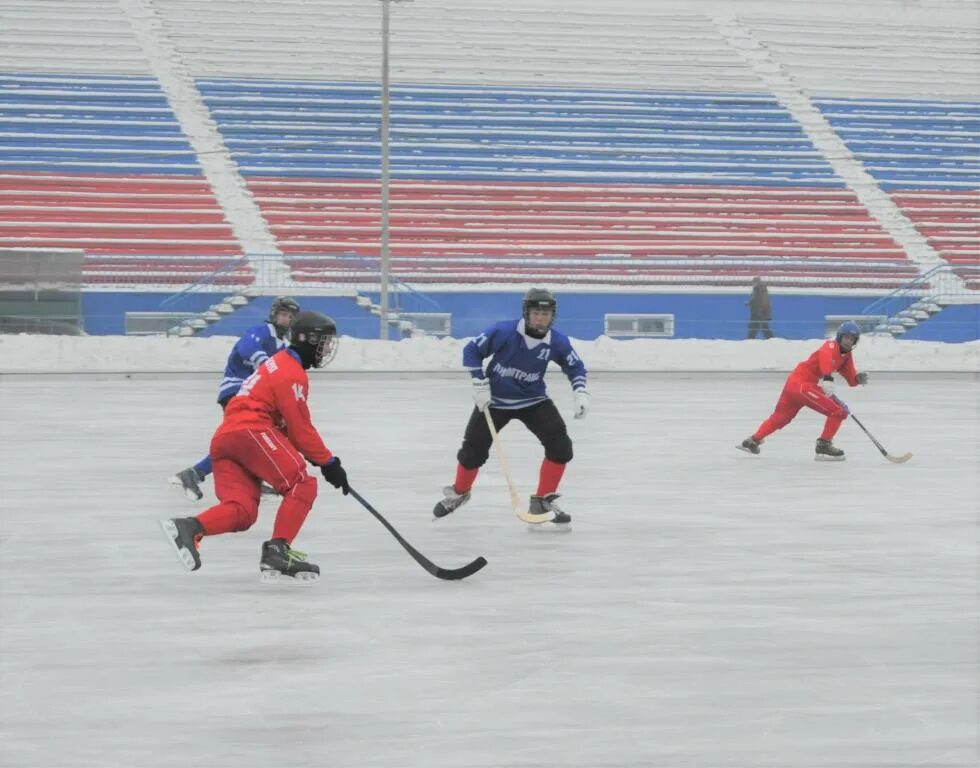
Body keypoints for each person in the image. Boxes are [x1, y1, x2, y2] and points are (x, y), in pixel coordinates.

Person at [160, 311, 349, 582]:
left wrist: (310, 454)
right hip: (251, 431)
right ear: (309, 340)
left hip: (227, 438)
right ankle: (277, 550)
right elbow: (300, 428)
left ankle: (189, 527)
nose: (328, 348)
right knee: (302, 484)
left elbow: (288, 427)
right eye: (325, 342)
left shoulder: (279, 363)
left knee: (243, 511)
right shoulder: (290, 373)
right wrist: (330, 464)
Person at [433, 288, 590, 526]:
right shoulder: (504, 331)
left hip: (533, 400)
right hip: (494, 401)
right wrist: (479, 381)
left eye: (546, 314)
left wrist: (580, 391)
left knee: (561, 446)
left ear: (553, 316)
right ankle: (459, 492)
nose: (541, 318)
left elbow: (575, 367)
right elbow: (472, 351)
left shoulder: (557, 341)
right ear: (526, 313)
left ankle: (542, 501)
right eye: (536, 313)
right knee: (471, 452)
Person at [169, 296, 300, 501]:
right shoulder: (262, 331)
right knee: (244, 440)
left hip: (252, 396)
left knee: (242, 443)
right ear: (274, 315)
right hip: (237, 391)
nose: (286, 320)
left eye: (290, 317)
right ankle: (195, 474)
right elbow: (246, 348)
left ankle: (197, 475)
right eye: (283, 315)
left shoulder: (283, 345)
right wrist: (269, 368)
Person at [738, 320, 869, 460]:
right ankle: (824, 446)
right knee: (839, 411)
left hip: (795, 385)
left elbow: (851, 379)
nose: (848, 341)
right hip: (802, 385)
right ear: (839, 336)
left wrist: (857, 379)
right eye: (846, 337)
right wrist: (827, 377)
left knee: (780, 418)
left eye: (852, 339)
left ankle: (753, 441)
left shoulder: (846, 356)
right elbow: (825, 357)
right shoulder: (831, 345)